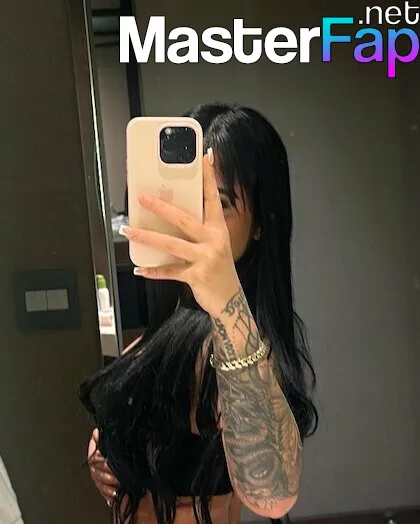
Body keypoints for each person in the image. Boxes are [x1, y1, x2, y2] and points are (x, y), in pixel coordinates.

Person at [79, 103, 318, 524]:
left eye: (219, 203)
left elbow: (272, 495)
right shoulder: (176, 321)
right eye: (190, 200)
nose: (194, 221)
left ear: (260, 223)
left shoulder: (235, 338)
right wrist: (108, 449)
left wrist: (225, 300)